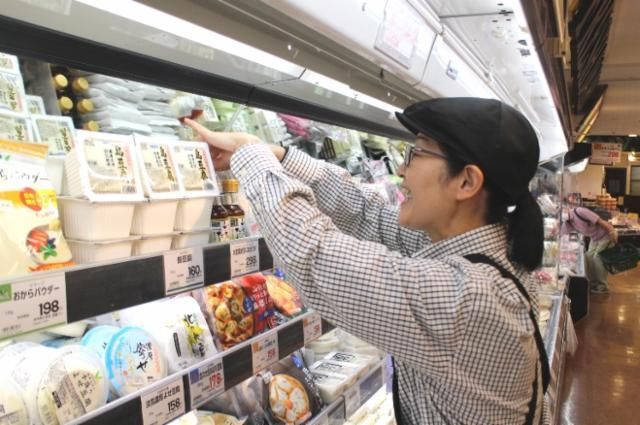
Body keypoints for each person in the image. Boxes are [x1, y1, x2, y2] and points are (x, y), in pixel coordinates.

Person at [186, 97, 549, 424]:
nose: (402, 170)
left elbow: (313, 254)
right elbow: (366, 214)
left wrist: (251, 157)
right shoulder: (480, 250)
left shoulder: (468, 297)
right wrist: (279, 156)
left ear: (466, 182)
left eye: (416, 154)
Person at [564, 206, 618, 293]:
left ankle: (602, 286)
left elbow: (600, 221)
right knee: (589, 256)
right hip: (594, 238)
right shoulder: (568, 222)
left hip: (605, 234)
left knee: (597, 258)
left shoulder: (579, 211)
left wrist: (612, 231)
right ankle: (593, 283)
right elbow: (562, 233)